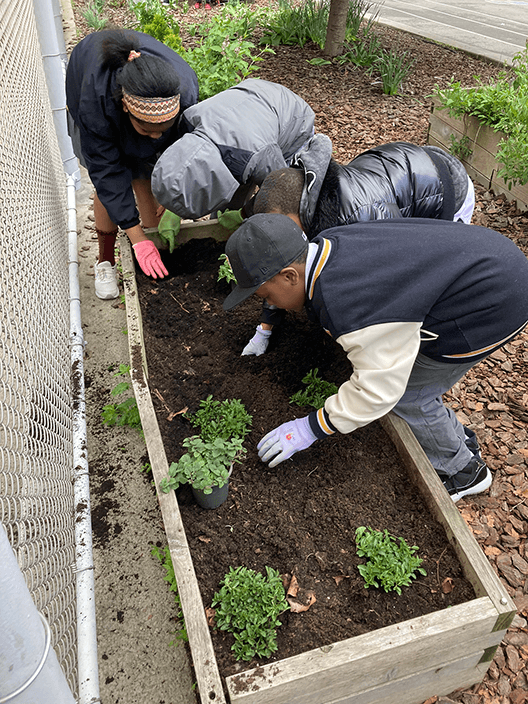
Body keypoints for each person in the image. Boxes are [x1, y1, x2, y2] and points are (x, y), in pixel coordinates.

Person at [222, 213, 528, 502]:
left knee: (408, 394)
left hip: (496, 302)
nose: (267, 303)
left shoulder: (352, 305)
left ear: (289, 276)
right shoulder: (327, 245)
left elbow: (378, 391)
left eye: (265, 295)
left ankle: (463, 472)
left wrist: (311, 428)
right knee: (407, 372)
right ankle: (455, 439)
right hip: (489, 257)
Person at [241, 134, 476, 356]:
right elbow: (278, 263)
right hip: (401, 168)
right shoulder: (309, 204)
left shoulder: (362, 223)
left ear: (303, 210)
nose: (285, 236)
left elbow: (393, 282)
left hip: (445, 190)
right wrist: (265, 328)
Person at [66, 29, 199, 299]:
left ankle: (157, 253)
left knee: (146, 177)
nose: (157, 137)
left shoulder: (183, 91)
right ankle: (106, 261)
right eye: (148, 130)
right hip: (86, 88)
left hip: (145, 103)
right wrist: (137, 238)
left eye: (164, 129)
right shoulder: (96, 104)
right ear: (126, 108)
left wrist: (176, 198)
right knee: (113, 185)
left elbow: (186, 146)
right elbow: (107, 173)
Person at [150, 78, 315, 244]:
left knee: (284, 209)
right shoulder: (188, 122)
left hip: (292, 119)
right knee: (232, 200)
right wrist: (173, 205)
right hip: (248, 104)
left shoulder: (261, 156)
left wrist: (244, 214)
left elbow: (280, 191)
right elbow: (185, 166)